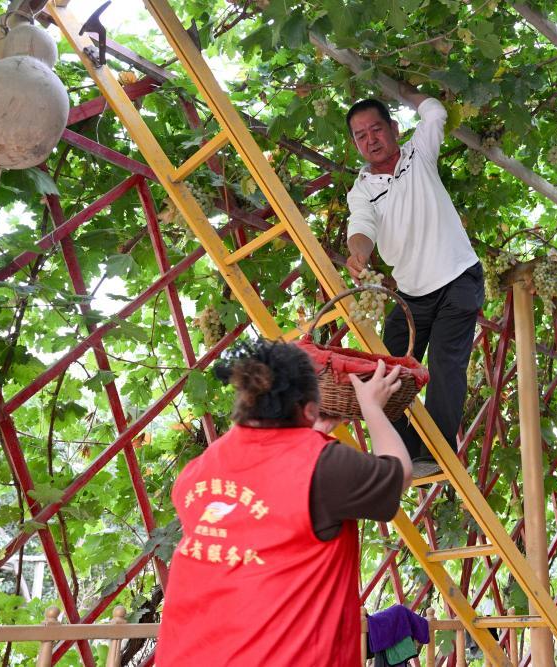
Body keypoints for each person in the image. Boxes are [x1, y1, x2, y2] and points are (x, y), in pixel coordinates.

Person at [156, 340, 411, 666]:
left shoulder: (196, 473)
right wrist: (372, 407)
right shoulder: (323, 466)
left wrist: (309, 435)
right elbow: (399, 473)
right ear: (307, 408)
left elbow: (267, 492)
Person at [345, 90, 484, 478]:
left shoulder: (418, 154)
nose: (371, 139)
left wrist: (400, 88)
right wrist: (359, 254)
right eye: (360, 135)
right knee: (386, 368)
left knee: (444, 363)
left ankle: (435, 454)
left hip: (458, 276)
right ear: (355, 144)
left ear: (394, 128)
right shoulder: (361, 191)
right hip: (411, 294)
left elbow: (436, 111)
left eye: (377, 129)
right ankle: (403, 453)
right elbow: (361, 228)